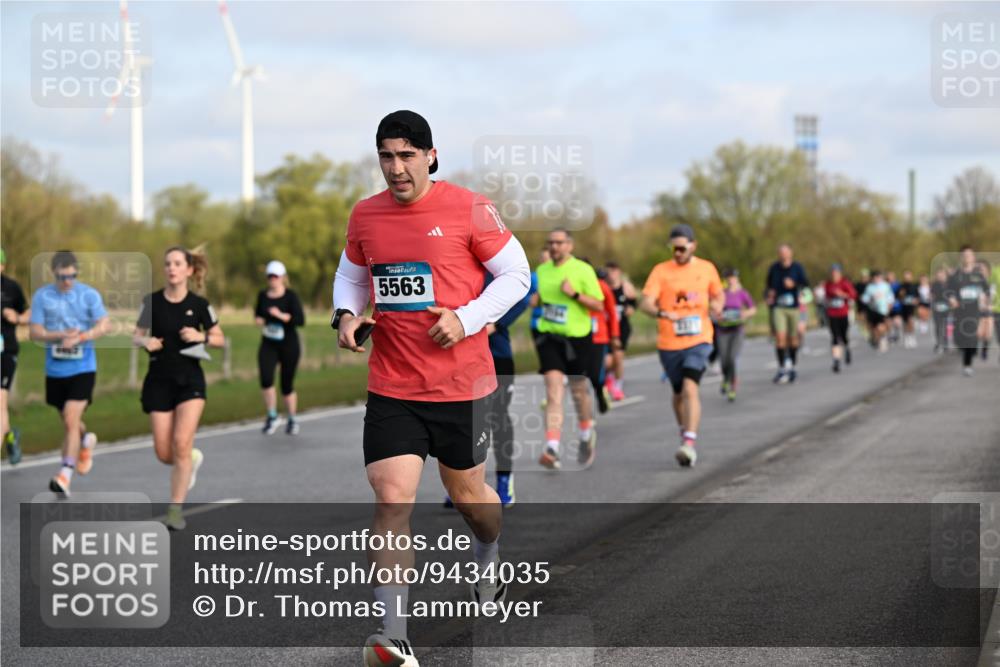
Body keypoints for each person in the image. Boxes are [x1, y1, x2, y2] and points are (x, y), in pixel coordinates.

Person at [331, 110, 530, 666]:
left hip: (461, 383)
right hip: (393, 382)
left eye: (406, 156)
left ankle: (489, 559)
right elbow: (351, 274)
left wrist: (465, 319)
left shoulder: (469, 208)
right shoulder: (365, 214)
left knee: (472, 502)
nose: (396, 169)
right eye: (386, 158)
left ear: (430, 156)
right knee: (392, 497)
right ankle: (394, 635)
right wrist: (346, 316)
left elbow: (517, 275)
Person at [134, 247, 224, 530]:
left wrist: (203, 335)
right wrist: (144, 342)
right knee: (164, 453)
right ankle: (190, 459)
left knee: (181, 444)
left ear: (188, 270)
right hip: (158, 379)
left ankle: (175, 508)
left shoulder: (199, 305)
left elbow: (220, 339)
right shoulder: (150, 303)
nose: (171, 268)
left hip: (190, 381)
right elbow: (135, 336)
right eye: (167, 264)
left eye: (177, 263)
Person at [640, 224, 723, 467]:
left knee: (690, 387)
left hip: (699, 339)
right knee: (677, 394)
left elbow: (718, 294)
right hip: (669, 341)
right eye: (673, 248)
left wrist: (718, 304)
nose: (677, 253)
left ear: (692, 246)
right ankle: (684, 429)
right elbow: (645, 302)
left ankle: (689, 442)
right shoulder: (661, 271)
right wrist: (663, 313)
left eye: (681, 248)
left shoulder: (707, 268)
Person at [29, 251, 109, 497]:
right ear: (54, 274)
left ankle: (65, 474)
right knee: (69, 421)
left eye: (72, 276)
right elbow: (34, 332)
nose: (68, 281)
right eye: (63, 277)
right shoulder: (42, 296)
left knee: (70, 418)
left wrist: (81, 337)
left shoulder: (88, 295)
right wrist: (59, 336)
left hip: (83, 368)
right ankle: (85, 442)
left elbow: (104, 325)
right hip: (55, 370)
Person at [533, 228, 604, 470]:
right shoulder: (542, 271)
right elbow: (538, 299)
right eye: (551, 242)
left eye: (559, 243)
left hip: (577, 339)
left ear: (569, 246)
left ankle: (586, 433)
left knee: (578, 392)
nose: (554, 247)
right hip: (549, 336)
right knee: (553, 390)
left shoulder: (583, 270)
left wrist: (574, 294)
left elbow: (599, 305)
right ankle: (552, 446)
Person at [482, 271, 532, 507]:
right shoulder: (453, 269)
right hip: (462, 360)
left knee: (497, 418)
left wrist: (496, 323)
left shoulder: (493, 271)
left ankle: (504, 480)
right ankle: (465, 484)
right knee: (464, 421)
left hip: (497, 356)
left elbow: (522, 299)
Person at [255, 260, 306, 435]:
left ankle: (292, 419)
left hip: (289, 344)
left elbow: (300, 320)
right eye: (270, 276)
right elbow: (258, 315)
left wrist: (281, 316)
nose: (272, 279)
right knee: (266, 378)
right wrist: (260, 320)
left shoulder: (291, 296)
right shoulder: (263, 295)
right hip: (269, 342)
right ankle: (272, 415)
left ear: (283, 277)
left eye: (275, 276)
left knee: (286, 384)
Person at [765, 244, 809, 383]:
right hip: (779, 307)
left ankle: (792, 365)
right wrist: (769, 295)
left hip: (793, 307)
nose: (783, 255)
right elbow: (768, 287)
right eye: (781, 252)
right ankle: (782, 367)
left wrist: (794, 284)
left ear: (791, 253)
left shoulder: (797, 267)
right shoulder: (774, 268)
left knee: (793, 338)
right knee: (780, 337)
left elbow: (806, 283)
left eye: (785, 252)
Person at [1, 248, 30, 464]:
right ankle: (10, 436)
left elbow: (30, 314)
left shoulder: (11, 288)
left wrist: (18, 318)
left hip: (6, 352)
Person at [945, 247, 990, 376]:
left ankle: (967, 365)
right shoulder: (955, 276)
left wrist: (984, 299)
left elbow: (986, 291)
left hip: (974, 311)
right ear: (961, 258)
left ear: (973, 257)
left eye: (969, 255)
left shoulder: (979, 275)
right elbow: (948, 291)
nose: (967, 257)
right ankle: (970, 350)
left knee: (970, 337)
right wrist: (952, 299)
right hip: (959, 311)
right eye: (964, 255)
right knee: (959, 339)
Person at [714, 269, 755, 401]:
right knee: (724, 360)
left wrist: (745, 314)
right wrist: (717, 314)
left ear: (737, 279)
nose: (731, 280)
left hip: (737, 330)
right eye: (729, 278)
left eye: (733, 277)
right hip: (722, 330)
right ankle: (725, 379)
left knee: (732, 358)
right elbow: (713, 307)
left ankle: (732, 387)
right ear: (726, 280)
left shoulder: (743, 293)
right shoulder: (721, 294)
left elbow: (753, 308)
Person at [588, 265, 621, 414]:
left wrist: (614, 335)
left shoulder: (601, 286)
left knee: (598, 368)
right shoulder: (569, 284)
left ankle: (600, 389)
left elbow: (612, 313)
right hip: (575, 333)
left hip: (598, 334)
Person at [604, 261, 636, 401]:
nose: (611, 274)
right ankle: (609, 377)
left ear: (618, 271)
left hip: (621, 327)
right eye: (608, 271)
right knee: (607, 361)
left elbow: (634, 302)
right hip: (606, 328)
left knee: (618, 357)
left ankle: (618, 385)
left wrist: (631, 308)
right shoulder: (603, 287)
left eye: (613, 271)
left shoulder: (626, 287)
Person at [823, 264, 857, 372]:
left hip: (843, 313)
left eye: (836, 273)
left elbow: (853, 295)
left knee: (843, 336)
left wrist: (842, 294)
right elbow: (825, 297)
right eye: (832, 273)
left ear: (840, 273)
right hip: (832, 314)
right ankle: (836, 360)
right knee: (834, 336)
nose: (834, 275)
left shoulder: (845, 283)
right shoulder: (828, 284)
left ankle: (847, 349)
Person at [861, 270, 895, 353]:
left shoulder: (885, 286)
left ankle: (883, 339)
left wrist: (889, 305)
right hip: (872, 310)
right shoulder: (870, 287)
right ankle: (877, 339)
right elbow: (864, 298)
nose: (876, 279)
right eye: (875, 277)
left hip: (882, 309)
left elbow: (890, 296)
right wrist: (870, 298)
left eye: (878, 277)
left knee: (880, 326)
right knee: (874, 328)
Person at [895, 270, 920, 349]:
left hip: (911, 307)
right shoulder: (901, 286)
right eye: (905, 276)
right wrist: (900, 295)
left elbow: (917, 296)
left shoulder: (914, 286)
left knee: (910, 321)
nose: (907, 277)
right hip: (903, 307)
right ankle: (906, 338)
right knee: (905, 323)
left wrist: (916, 300)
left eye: (908, 275)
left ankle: (912, 337)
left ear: (911, 276)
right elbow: (897, 297)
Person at [930, 268, 951, 353]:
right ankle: (938, 343)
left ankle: (946, 343)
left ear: (945, 275)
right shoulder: (934, 284)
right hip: (937, 307)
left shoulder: (949, 284)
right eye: (938, 275)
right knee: (938, 326)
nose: (940, 276)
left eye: (942, 274)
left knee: (946, 326)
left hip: (947, 307)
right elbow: (932, 296)